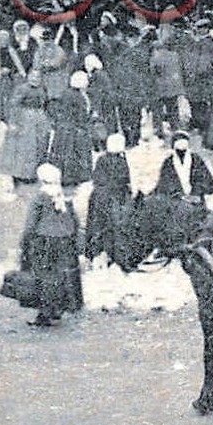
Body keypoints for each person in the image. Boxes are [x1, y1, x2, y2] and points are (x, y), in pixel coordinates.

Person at [19, 164, 85, 327]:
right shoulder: (63, 198)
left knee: (45, 277)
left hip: (44, 240)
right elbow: (75, 221)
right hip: (65, 241)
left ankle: (45, 312)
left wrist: (25, 242)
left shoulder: (40, 199)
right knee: (61, 276)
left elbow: (31, 224)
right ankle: (59, 308)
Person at [0, 71, 53, 184]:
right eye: (32, 76)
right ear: (28, 77)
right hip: (25, 120)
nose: (35, 79)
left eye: (38, 77)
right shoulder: (22, 89)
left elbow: (45, 103)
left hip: (40, 119)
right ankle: (20, 173)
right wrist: (13, 122)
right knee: (24, 147)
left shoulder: (43, 88)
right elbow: (14, 105)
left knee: (39, 146)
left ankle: (32, 173)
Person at [86, 133, 133, 264]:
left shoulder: (103, 159)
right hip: (109, 197)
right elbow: (124, 178)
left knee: (100, 226)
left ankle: (98, 252)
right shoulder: (119, 159)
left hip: (103, 196)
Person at [153, 132, 213, 205]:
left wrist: (195, 193)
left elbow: (204, 180)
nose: (182, 154)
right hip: (176, 202)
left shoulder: (196, 160)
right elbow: (165, 183)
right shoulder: (168, 162)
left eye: (184, 151)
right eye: (178, 151)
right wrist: (179, 195)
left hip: (195, 200)